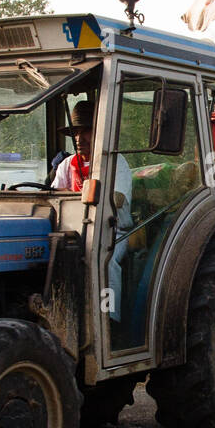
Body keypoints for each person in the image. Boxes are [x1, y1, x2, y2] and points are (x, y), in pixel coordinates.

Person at [52, 99, 133, 322]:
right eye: (76, 132)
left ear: (99, 133)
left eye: (86, 131)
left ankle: (109, 321)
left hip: (112, 231)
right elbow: (54, 196)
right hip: (73, 231)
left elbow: (115, 199)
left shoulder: (116, 163)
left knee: (105, 260)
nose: (79, 138)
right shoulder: (67, 165)